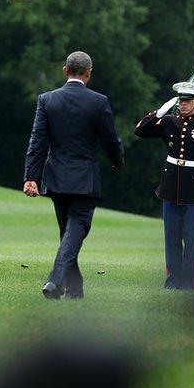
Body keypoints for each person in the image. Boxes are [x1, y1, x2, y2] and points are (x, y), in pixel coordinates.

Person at [23, 51, 124, 300]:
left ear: (65, 71)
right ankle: (55, 281)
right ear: (88, 73)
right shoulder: (99, 101)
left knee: (67, 235)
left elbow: (37, 141)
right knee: (75, 231)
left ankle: (75, 291)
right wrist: (117, 161)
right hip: (84, 179)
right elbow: (110, 139)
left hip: (56, 177)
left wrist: (31, 177)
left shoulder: (47, 100)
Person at [135, 82, 194, 290]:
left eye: (187, 101)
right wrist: (159, 112)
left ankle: (189, 282)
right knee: (171, 238)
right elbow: (140, 130)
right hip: (170, 187)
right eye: (181, 101)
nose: (183, 104)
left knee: (191, 240)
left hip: (193, 190)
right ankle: (173, 280)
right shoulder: (169, 122)